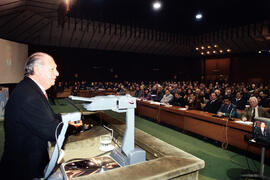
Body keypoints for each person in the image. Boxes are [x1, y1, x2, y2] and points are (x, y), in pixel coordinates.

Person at [0, 52, 81, 180]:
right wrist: (74, 127)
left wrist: (64, 118)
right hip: (23, 172)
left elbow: (45, 116)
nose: (57, 73)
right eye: (52, 69)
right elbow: (51, 131)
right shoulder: (29, 96)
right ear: (37, 70)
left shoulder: (30, 89)